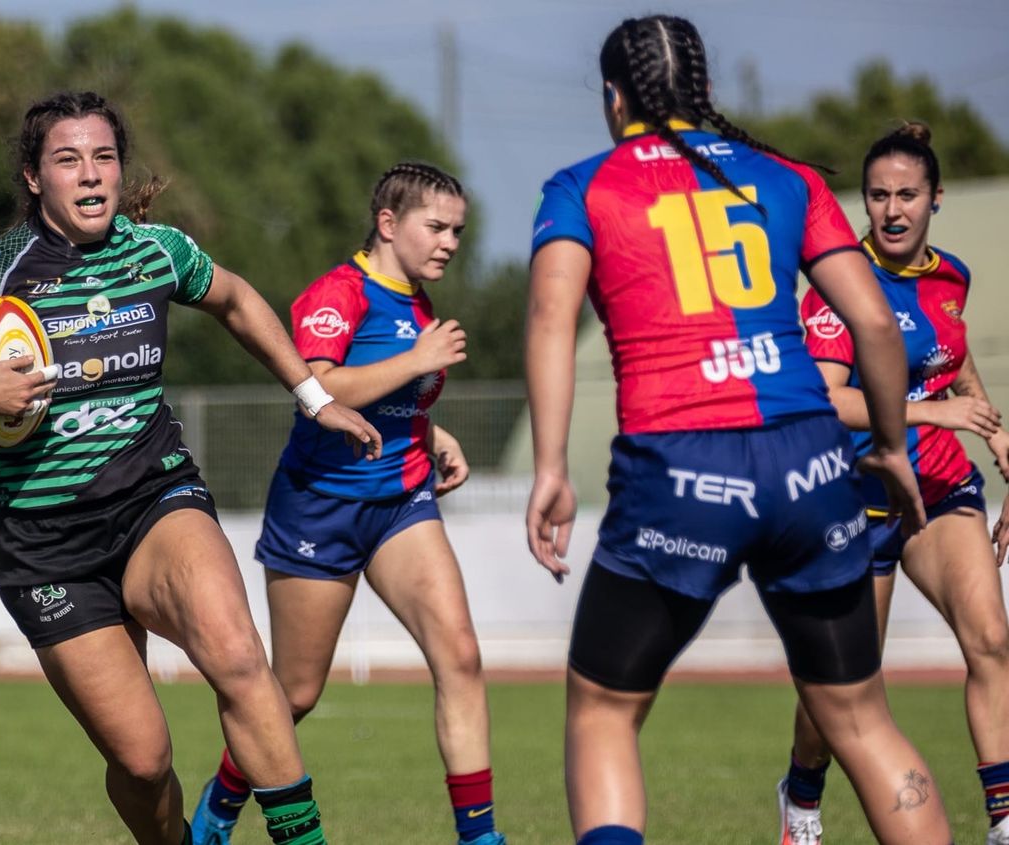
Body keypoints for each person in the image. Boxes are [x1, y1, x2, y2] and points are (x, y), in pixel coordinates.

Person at [0, 91, 381, 845]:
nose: (90, 175)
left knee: (240, 656)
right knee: (144, 761)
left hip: (155, 496)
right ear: (33, 178)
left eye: (104, 157)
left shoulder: (157, 251)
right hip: (46, 543)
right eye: (68, 159)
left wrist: (313, 396)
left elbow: (239, 299)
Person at [524, 15, 953, 845]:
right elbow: (873, 319)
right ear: (708, 93)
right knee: (861, 718)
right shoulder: (786, 176)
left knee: (604, 711)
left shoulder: (584, 184)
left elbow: (549, 315)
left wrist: (549, 464)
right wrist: (894, 448)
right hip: (809, 460)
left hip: (684, 467)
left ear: (615, 99)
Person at [187, 162, 506, 845]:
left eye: (458, 229)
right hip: (319, 510)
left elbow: (389, 398)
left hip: (401, 504)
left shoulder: (419, 305)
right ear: (389, 224)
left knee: (461, 656)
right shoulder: (340, 292)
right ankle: (221, 802)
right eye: (437, 226)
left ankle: (481, 837)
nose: (450, 241)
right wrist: (417, 361)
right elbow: (322, 385)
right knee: (294, 694)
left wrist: (434, 432)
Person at [776, 121, 1009, 845]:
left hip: (938, 486)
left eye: (908, 194)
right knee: (847, 688)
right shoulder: (842, 286)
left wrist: (996, 431)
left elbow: (951, 358)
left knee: (993, 641)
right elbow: (830, 397)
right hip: (858, 495)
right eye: (878, 195)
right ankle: (803, 795)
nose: (893, 209)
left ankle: (1004, 818)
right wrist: (933, 409)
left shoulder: (952, 276)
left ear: (935, 198)